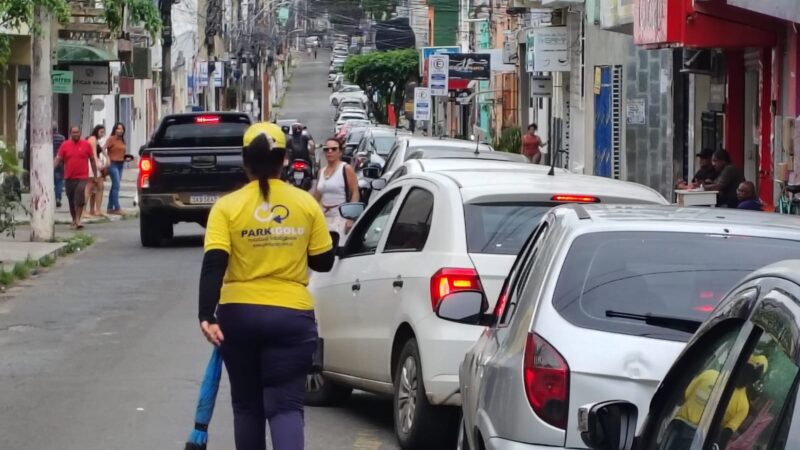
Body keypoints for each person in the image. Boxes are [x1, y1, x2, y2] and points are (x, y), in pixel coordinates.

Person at [198, 122, 335, 450]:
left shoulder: (226, 207)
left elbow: (215, 263)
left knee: (247, 405)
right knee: (286, 406)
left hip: (238, 317)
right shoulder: (306, 204)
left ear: (244, 160)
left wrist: (206, 316)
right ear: (284, 159)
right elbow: (323, 262)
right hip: (292, 317)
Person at [54, 126, 98, 229]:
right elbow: (58, 158)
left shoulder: (86, 145)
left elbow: (92, 160)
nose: (76, 134)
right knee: (71, 200)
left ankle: (78, 220)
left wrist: (95, 175)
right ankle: (74, 219)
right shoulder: (65, 145)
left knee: (79, 197)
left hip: (82, 177)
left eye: (77, 132)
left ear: (80, 133)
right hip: (69, 177)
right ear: (70, 134)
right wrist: (51, 168)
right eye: (73, 132)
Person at [315, 138, 359, 236]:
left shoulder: (346, 168)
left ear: (340, 152)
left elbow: (355, 192)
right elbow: (316, 197)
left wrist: (350, 218)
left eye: (334, 149)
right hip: (323, 217)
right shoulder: (321, 171)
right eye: (326, 149)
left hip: (341, 217)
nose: (330, 151)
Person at [84, 125, 108, 218]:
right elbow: (93, 154)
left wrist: (107, 159)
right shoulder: (93, 139)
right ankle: (84, 211)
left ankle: (94, 210)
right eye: (101, 132)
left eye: (103, 132)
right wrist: (98, 165)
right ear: (96, 131)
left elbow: (101, 151)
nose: (102, 134)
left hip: (94, 164)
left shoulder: (96, 140)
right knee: (90, 187)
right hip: (91, 165)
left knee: (98, 187)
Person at [104, 122, 127, 215]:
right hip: (113, 164)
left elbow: (121, 152)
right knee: (116, 185)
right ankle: (117, 207)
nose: (120, 131)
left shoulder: (123, 140)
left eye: (121, 129)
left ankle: (110, 208)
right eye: (118, 128)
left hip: (121, 164)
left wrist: (126, 158)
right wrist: (107, 158)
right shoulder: (111, 139)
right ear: (115, 129)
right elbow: (102, 148)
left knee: (114, 186)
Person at [53, 124, 66, 208]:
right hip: (59, 161)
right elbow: (64, 149)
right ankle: (58, 198)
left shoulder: (45, 137)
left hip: (47, 161)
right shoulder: (61, 138)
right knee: (58, 181)